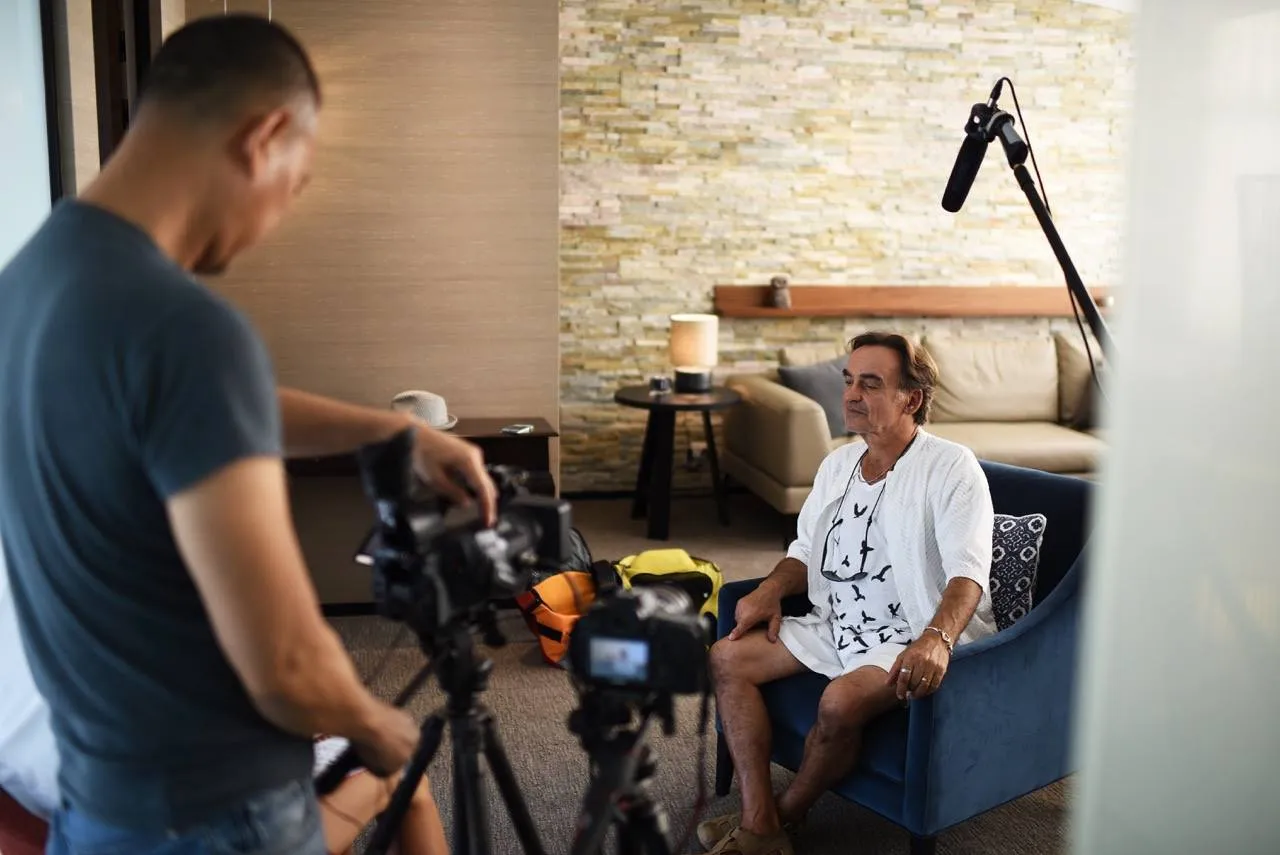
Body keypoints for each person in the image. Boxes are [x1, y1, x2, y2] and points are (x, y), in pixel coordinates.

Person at [0, 14, 495, 854]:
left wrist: (393, 432)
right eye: (296, 184)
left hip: (102, 804)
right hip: (219, 815)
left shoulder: (32, 282)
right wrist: (383, 730)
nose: (277, 217)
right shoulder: (187, 326)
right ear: (264, 136)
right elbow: (286, 663)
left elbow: (179, 405)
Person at [700, 332, 997, 855]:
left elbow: (968, 572)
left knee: (839, 703)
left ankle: (779, 822)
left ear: (912, 398)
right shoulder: (837, 464)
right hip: (833, 623)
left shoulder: (950, 468)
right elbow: (805, 550)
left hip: (904, 636)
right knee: (726, 657)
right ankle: (759, 821)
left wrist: (936, 638)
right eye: (848, 380)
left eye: (871, 383)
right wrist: (771, 589)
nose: (852, 394)